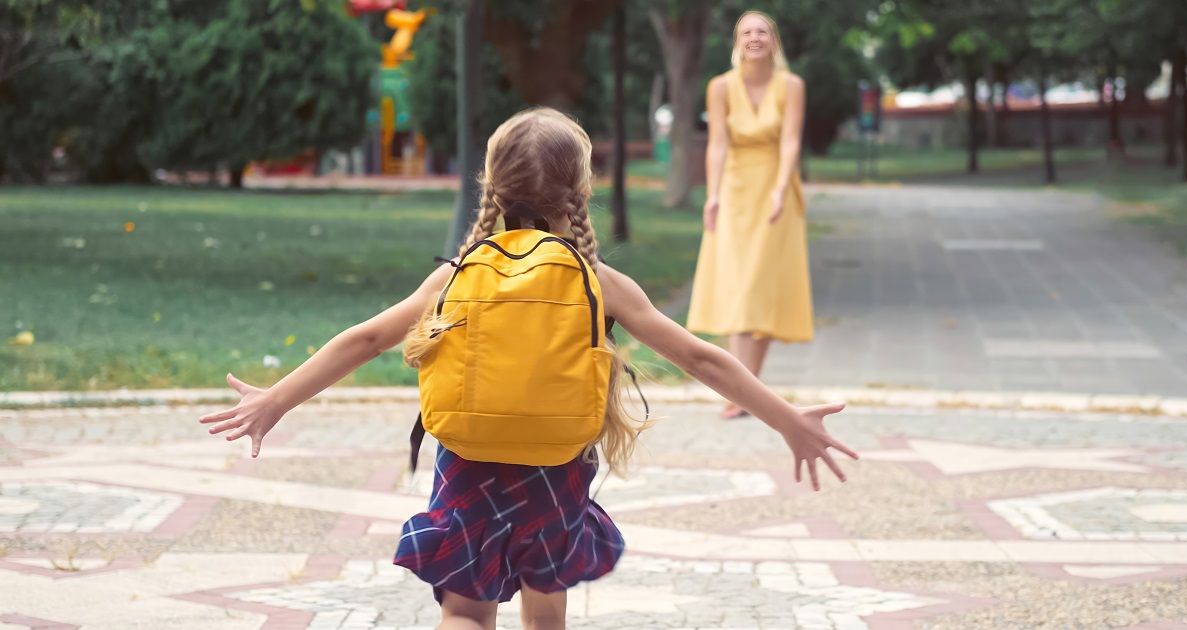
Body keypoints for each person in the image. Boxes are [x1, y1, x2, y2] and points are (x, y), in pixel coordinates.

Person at [199, 108, 856, 630]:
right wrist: (786, 421)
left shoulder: (455, 275)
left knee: (464, 611)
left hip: (467, 462)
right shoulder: (599, 281)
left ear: (493, 188)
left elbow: (367, 339)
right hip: (555, 468)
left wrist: (276, 401)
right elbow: (700, 356)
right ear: (580, 192)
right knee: (545, 614)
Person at [687, 10, 814, 420]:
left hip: (775, 195)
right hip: (735, 193)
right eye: (747, 32)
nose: (755, 38)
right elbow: (718, 145)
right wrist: (712, 194)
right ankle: (743, 393)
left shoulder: (791, 86)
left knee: (761, 291)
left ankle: (744, 392)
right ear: (736, 42)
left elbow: (791, 142)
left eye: (762, 32)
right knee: (739, 291)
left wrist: (780, 188)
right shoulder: (720, 87)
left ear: (773, 42)